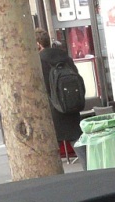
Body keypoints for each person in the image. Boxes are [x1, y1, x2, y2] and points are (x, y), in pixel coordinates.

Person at [36, 28, 83, 161]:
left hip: (52, 108)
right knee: (77, 140)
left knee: (49, 146)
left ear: (38, 44)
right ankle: (90, 168)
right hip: (70, 105)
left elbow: (43, 86)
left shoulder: (39, 61)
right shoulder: (65, 57)